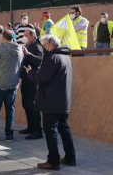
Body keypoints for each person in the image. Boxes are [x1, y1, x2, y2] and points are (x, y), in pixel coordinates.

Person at [24, 36, 76, 171]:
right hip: (62, 100)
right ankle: (70, 157)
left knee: (50, 130)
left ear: (51, 44)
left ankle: (53, 161)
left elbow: (41, 78)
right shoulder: (66, 57)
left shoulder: (53, 58)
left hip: (51, 101)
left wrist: (31, 73)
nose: (44, 47)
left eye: (45, 45)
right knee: (64, 128)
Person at [19, 29, 43, 140]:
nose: (24, 37)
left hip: (32, 80)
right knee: (26, 104)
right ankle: (30, 127)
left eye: (26, 35)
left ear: (32, 36)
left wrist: (28, 54)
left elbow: (39, 61)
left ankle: (37, 130)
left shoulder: (37, 46)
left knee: (32, 105)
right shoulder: (28, 45)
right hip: (26, 78)